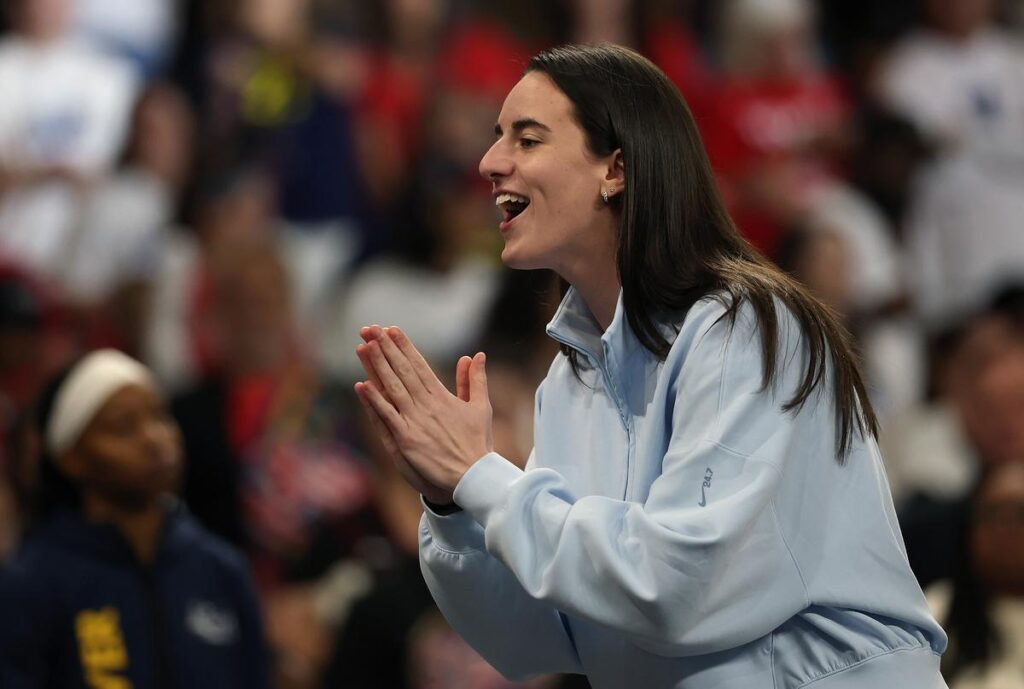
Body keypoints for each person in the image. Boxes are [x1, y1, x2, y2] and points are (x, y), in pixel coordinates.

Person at [354, 44, 947, 688]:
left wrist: (483, 476)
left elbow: (679, 589)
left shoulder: (747, 327)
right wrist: (452, 502)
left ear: (615, 168)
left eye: (527, 139)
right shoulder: (571, 379)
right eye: (499, 138)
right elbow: (533, 644)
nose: (490, 162)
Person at [0, 349, 270, 689]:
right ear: (72, 457)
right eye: (124, 427)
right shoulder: (34, 581)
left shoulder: (220, 569)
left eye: (160, 417)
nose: (155, 439)